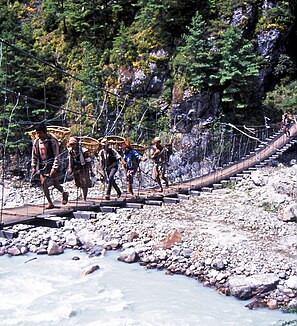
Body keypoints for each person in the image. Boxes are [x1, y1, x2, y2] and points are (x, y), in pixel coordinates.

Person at [31, 122, 68, 209]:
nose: (38, 135)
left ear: (45, 132)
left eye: (40, 133)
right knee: (43, 182)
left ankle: (64, 193)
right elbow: (34, 155)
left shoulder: (52, 141)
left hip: (51, 164)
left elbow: (56, 155)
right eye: (37, 133)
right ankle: (49, 202)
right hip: (42, 165)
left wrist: (54, 168)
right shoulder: (36, 142)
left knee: (55, 184)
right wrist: (33, 166)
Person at [67, 137, 92, 201]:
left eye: (73, 144)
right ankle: (80, 195)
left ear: (76, 144)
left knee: (84, 182)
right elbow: (70, 159)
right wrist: (70, 168)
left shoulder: (83, 151)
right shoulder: (70, 150)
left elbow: (88, 160)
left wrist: (91, 170)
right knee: (77, 183)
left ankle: (84, 198)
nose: (72, 146)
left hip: (83, 167)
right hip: (75, 167)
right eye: (71, 144)